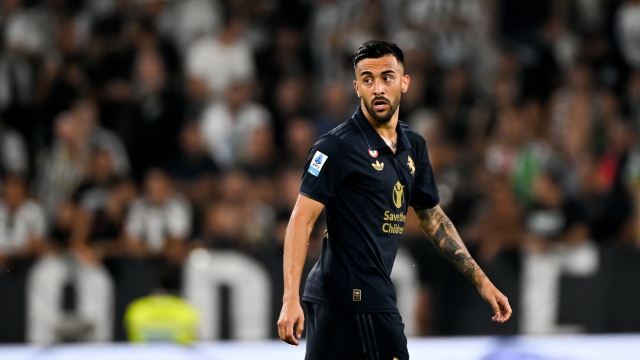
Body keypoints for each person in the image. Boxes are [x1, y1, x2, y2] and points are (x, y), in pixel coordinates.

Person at [277, 40, 512, 359]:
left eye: (387, 77)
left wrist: (482, 281)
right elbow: (301, 220)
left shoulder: (413, 146)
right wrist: (289, 298)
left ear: (405, 82)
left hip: (348, 297)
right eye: (368, 79)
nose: (378, 88)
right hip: (354, 299)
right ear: (357, 86)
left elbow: (433, 219)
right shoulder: (336, 148)